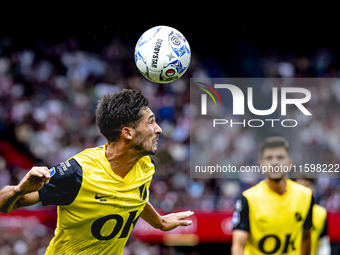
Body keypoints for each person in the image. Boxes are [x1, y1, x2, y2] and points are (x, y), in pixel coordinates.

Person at [0, 89, 194, 255]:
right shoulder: (77, 173)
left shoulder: (145, 165)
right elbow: (4, 206)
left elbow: (134, 196)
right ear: (128, 133)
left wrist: (158, 221)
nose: (158, 129)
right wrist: (18, 190)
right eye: (150, 122)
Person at [231, 136, 313, 255]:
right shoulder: (248, 199)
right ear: (262, 165)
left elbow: (306, 238)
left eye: (280, 157)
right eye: (269, 158)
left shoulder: (305, 196)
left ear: (290, 163)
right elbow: (238, 246)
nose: (274, 162)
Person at [293, 177, 331, 255]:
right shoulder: (284, 210)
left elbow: (323, 244)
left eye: (308, 186)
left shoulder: (321, 214)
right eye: (299, 186)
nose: (304, 191)